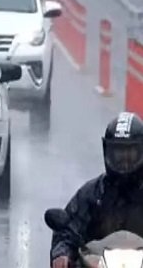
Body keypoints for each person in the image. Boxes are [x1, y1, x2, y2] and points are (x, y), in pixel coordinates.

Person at [50, 112, 143, 267]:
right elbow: (68, 231)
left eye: (131, 154)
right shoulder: (92, 194)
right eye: (119, 154)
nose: (124, 161)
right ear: (107, 152)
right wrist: (62, 253)